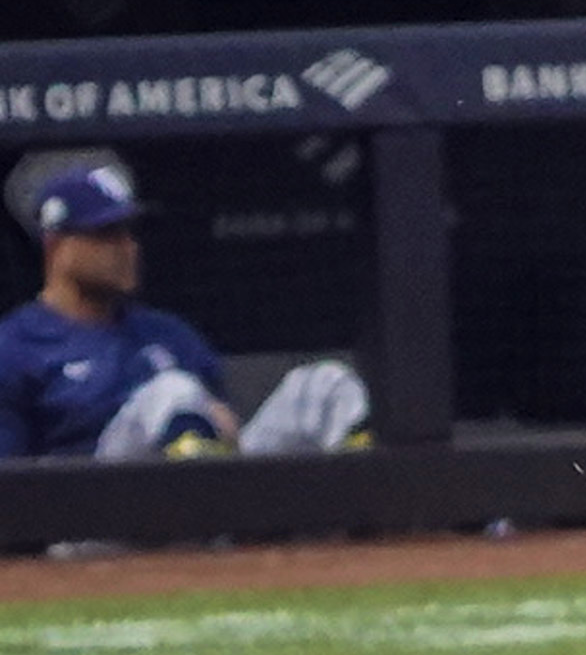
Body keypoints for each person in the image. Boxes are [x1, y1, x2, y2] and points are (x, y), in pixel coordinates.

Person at [0, 159, 364, 460]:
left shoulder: (165, 332)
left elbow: (226, 427)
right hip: (93, 522)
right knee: (170, 391)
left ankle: (369, 513)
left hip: (214, 488)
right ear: (56, 246)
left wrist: (220, 423)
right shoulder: (15, 345)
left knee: (325, 385)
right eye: (106, 234)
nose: (126, 248)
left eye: (128, 233)